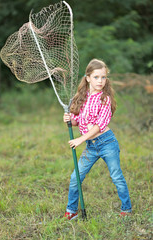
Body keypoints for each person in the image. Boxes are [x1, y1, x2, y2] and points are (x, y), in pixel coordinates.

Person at [63, 58, 132, 220]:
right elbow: (75, 121)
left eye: (103, 77)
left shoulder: (105, 99)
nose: (100, 81)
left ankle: (126, 209)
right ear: (87, 78)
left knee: (116, 176)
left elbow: (98, 126)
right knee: (75, 178)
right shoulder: (81, 98)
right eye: (96, 77)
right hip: (91, 147)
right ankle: (71, 211)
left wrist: (80, 139)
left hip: (107, 143)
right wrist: (68, 119)